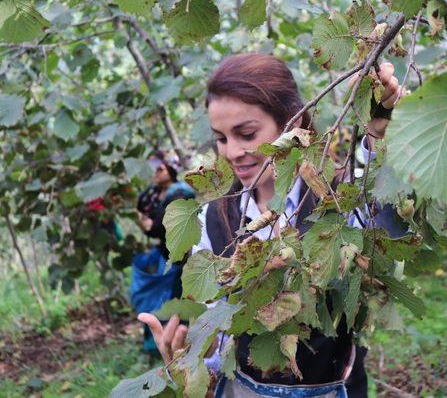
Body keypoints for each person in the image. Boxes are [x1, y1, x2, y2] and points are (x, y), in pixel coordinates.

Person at [138, 53, 402, 397]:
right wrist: (194, 363)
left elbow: (390, 231)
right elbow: (218, 331)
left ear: (290, 123)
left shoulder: (335, 199)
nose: (232, 152)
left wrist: (378, 135)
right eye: (221, 138)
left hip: (332, 387)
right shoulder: (213, 218)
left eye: (246, 134)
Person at [132, 150, 195, 355]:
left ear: (171, 168)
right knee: (159, 301)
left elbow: (159, 227)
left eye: (160, 168)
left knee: (175, 301)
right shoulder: (153, 192)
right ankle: (157, 344)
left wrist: (146, 224)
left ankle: (178, 345)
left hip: (181, 258)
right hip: (164, 255)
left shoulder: (180, 193)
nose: (156, 172)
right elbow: (142, 211)